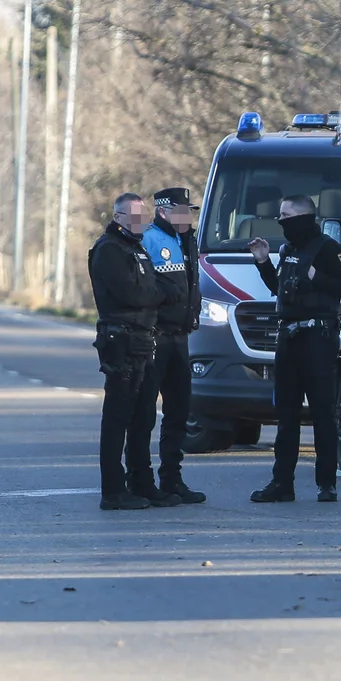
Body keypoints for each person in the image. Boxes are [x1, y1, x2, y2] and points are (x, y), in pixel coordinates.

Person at [248, 194, 341, 504]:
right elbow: (281, 289)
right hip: (288, 340)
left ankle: (327, 484)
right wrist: (262, 262)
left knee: (323, 414)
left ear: (301, 218)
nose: (280, 220)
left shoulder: (327, 249)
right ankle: (282, 483)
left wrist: (317, 276)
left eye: (285, 215)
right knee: (286, 416)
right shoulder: (288, 250)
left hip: (317, 339)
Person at [89, 193, 181, 510]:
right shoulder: (109, 250)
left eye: (144, 216)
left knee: (143, 418)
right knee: (117, 418)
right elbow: (133, 293)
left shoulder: (136, 247)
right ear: (118, 218)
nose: (141, 222)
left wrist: (159, 293)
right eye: (134, 216)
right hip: (121, 341)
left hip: (143, 339)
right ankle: (113, 491)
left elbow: (153, 287)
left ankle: (142, 483)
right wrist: (161, 294)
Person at [143, 187, 207, 504]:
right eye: (182, 211)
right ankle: (139, 479)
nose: (187, 217)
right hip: (156, 337)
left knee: (178, 412)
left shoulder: (187, 240)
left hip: (180, 338)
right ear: (164, 212)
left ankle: (172, 478)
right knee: (144, 414)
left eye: (190, 211)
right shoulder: (150, 238)